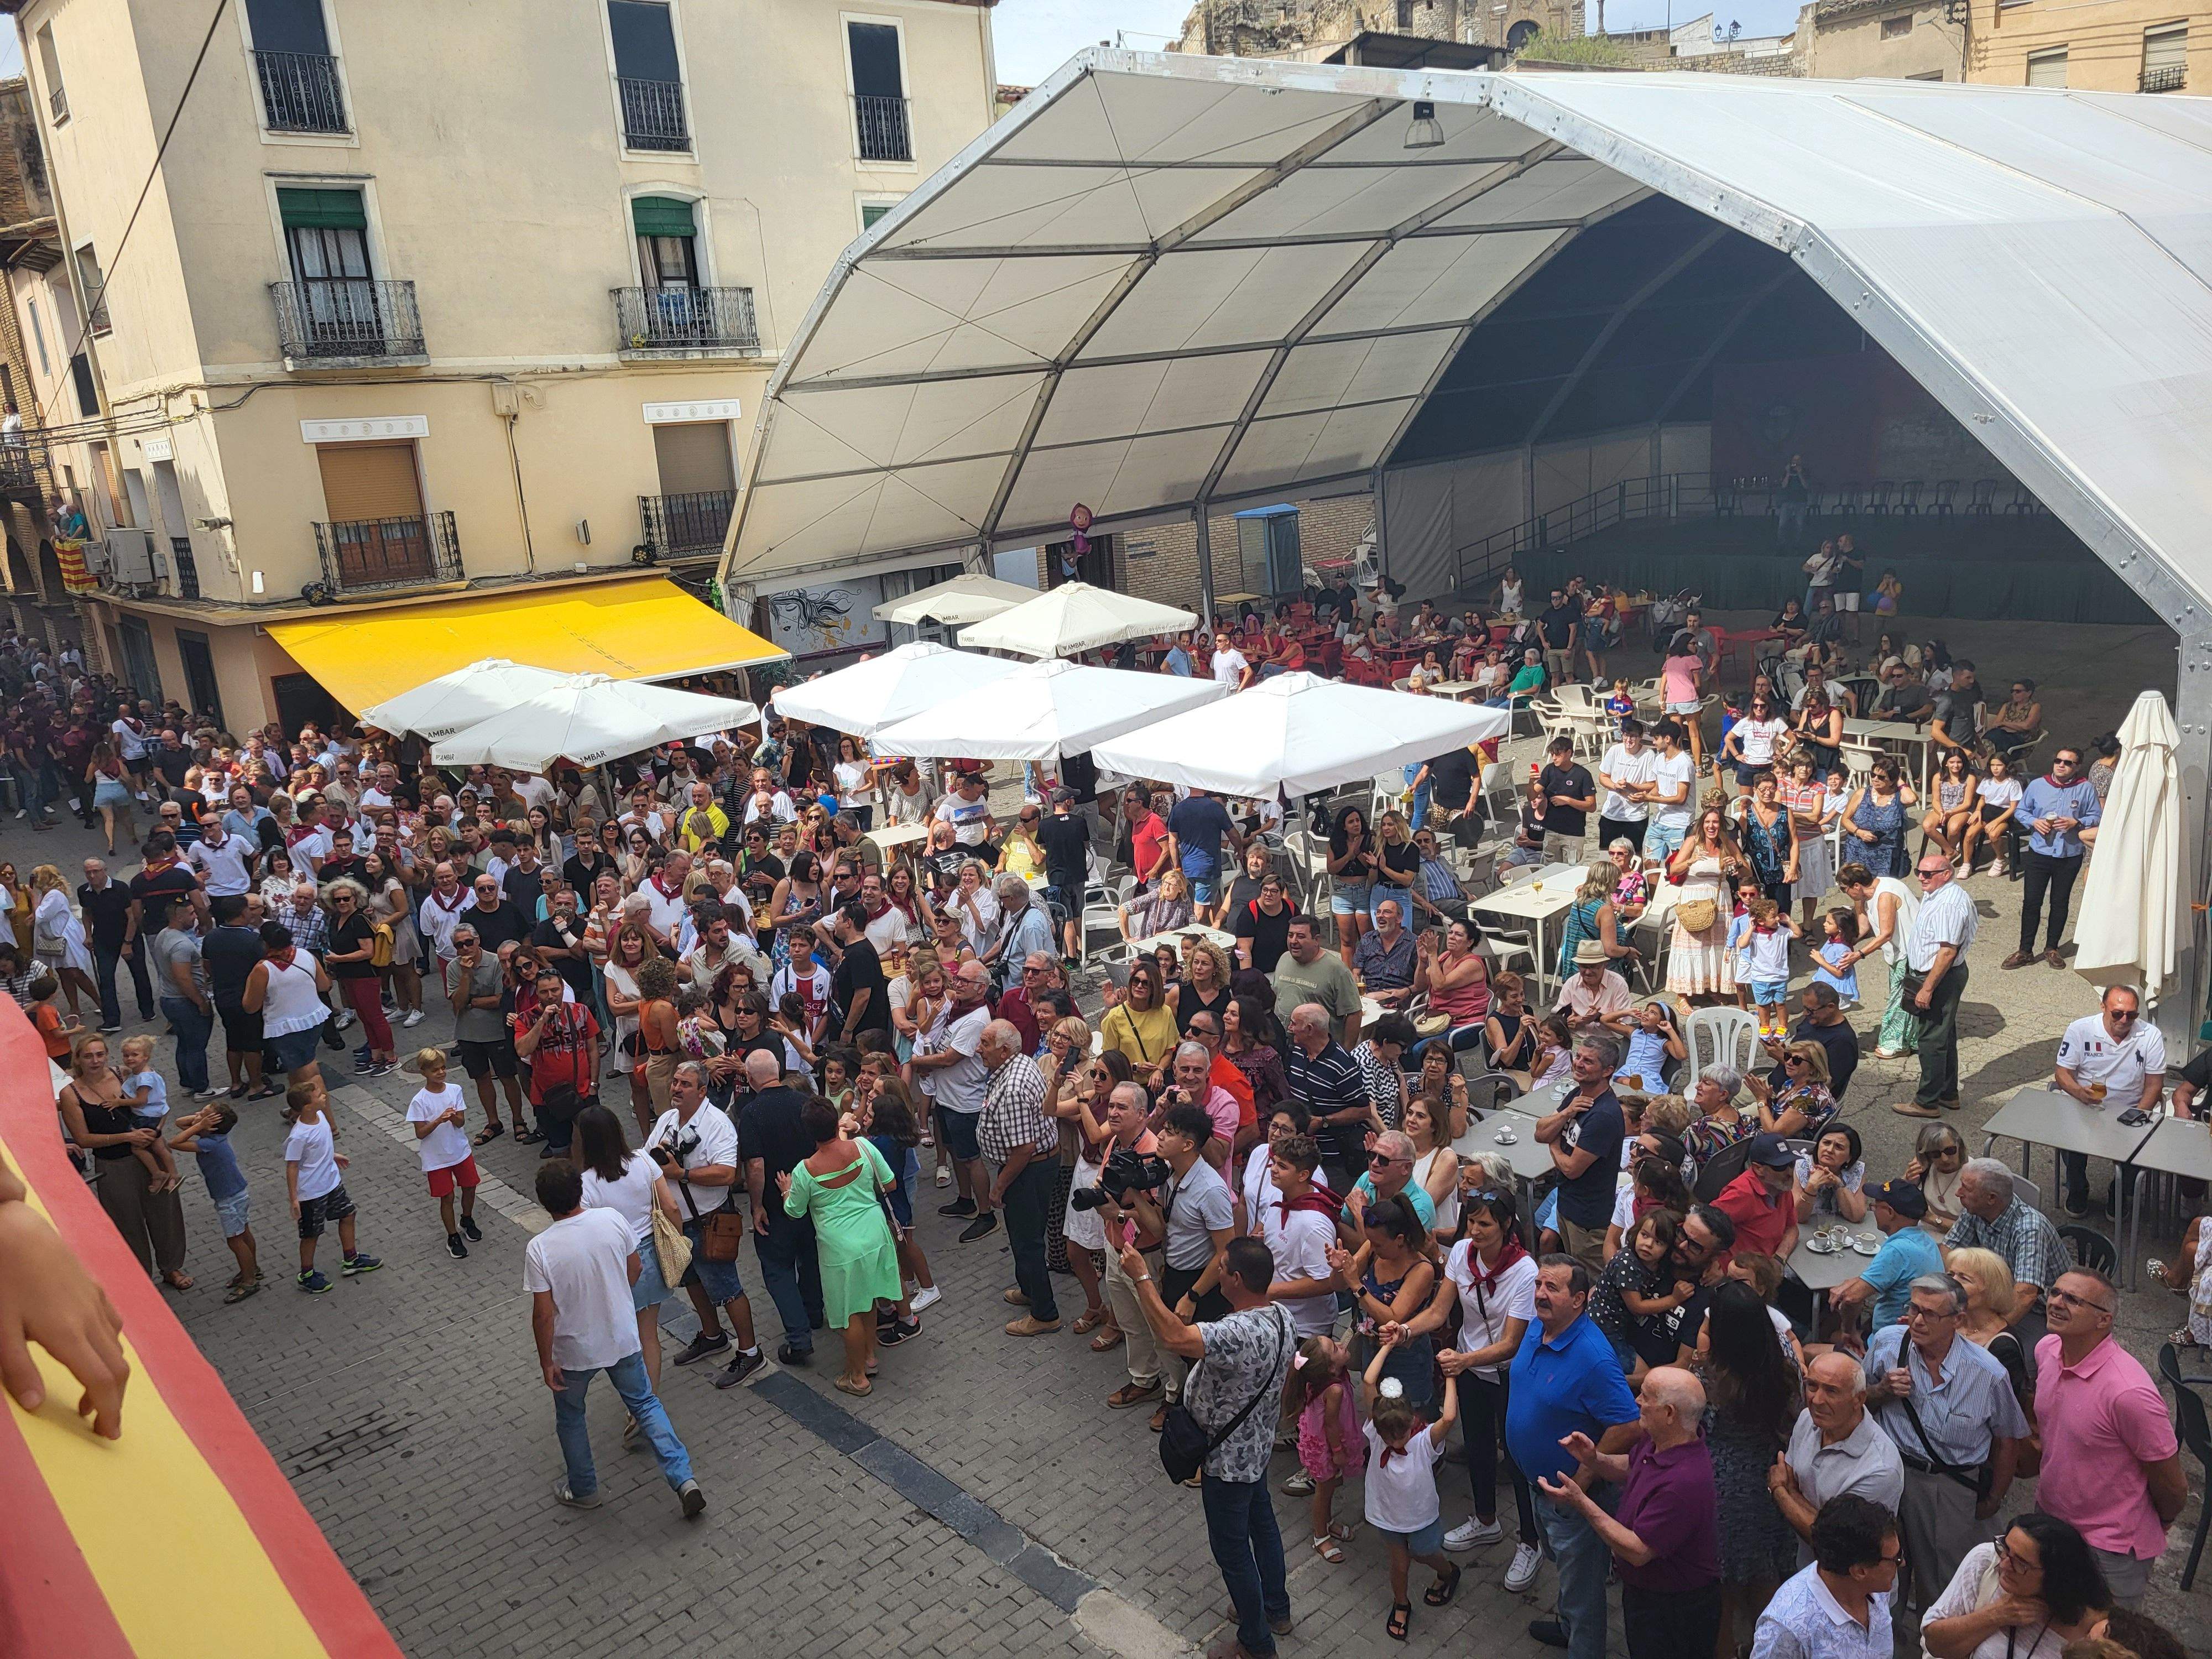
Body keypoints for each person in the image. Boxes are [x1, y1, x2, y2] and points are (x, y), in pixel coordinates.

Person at [1118, 1235, 1297, 1659]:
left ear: (1235, 1279)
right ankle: (1277, 1608)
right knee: (1264, 1528)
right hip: (1256, 1451)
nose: (1215, 1273)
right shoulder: (1283, 1318)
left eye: (1221, 1268)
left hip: (1227, 1463)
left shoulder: (1236, 1332)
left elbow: (1175, 1338)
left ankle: (1256, 1643)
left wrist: (1141, 1276)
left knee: (1233, 1554)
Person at [524, 1160, 706, 1518]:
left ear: (546, 1203)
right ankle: (684, 1479)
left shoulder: (540, 1249)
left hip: (574, 1351)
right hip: (622, 1338)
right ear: (579, 1190)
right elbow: (634, 1268)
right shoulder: (611, 1220)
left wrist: (547, 1361)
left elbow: (543, 1315)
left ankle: (584, 1488)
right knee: (646, 1405)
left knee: (572, 1416)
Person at [1861, 1273, 2028, 1609]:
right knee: (1878, 1578)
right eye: (1914, 1309)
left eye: (1930, 1314)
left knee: (1941, 1582)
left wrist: (1995, 1496)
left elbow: (2008, 1439)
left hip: (1946, 1487)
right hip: (1888, 1470)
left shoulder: (1988, 1373)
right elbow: (1859, 1401)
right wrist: (1881, 1392)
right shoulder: (1888, 1343)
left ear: (1958, 1321)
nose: (1917, 1321)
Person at [1507, 1254, 1641, 1658]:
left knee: (1584, 1589)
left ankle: (1583, 1645)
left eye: (1552, 1288)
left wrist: (1580, 1484)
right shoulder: (1538, 1327)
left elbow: (1629, 1425)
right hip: (1540, 1489)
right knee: (1565, 1568)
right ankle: (1567, 1626)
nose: (1540, 1295)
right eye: (1538, 1286)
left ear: (1579, 1300)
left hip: (1572, 1500)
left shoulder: (1594, 1358)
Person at [1537, 1366, 1720, 1659]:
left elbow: (1637, 1550)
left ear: (1670, 1413)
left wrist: (1580, 1501)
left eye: (1646, 1397)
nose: (1637, 1401)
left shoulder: (1684, 1482)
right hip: (1648, 1593)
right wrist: (1594, 1459)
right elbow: (1633, 1466)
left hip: (1673, 1608)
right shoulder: (1662, 1440)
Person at [2033, 1267, 2187, 1608]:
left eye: (2073, 1299)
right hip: (2049, 1519)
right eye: (2055, 1292)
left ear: (2103, 1321)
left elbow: (2173, 1485)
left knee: (2105, 1640)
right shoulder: (2047, 1350)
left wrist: (2156, 1521)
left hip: (2109, 1546)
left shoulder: (2128, 1392)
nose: (2056, 1303)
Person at [647, 1061, 765, 1389]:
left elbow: (728, 1174)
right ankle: (713, 1336)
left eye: (685, 1084)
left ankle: (750, 1351)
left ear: (702, 1091)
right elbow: (649, 1157)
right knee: (692, 1282)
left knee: (728, 1289)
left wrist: (680, 1174)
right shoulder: (669, 1119)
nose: (676, 1088)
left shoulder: (718, 1125)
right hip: (677, 1223)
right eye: (674, 1082)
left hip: (710, 1222)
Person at [778, 1096, 901, 1398]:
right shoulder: (863, 1147)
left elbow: (795, 1211)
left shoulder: (805, 1171)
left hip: (840, 1249)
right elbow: (891, 1184)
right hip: (874, 1235)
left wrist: (785, 1191)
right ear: (837, 1123)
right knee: (869, 1298)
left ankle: (857, 1376)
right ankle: (870, 1357)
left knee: (848, 1314)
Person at [55, 1032, 192, 1288]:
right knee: (127, 1223)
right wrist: (126, 1136)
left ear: (107, 1055)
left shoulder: (126, 1074)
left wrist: (156, 1130)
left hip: (149, 1154)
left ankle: (171, 1267)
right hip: (113, 1165)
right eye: (88, 1056)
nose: (95, 1061)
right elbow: (83, 1139)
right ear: (79, 1059)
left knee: (165, 1214)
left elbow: (159, 1103)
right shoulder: (72, 1094)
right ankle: (141, 1278)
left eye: (100, 1054)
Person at [1772, 1352, 1905, 1566]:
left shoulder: (1880, 1468)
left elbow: (1834, 1542)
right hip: (1809, 1571)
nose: (1816, 1400)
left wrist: (1780, 1492)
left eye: (1831, 1391)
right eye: (1812, 1386)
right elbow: (1792, 1482)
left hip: (1855, 1589)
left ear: (1859, 1399)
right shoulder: (1808, 1420)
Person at [1922, 1512, 2112, 1659]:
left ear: (2056, 1577)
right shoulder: (1987, 1561)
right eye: (2005, 1548)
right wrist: (1997, 1615)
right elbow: (1934, 1642)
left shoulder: (2095, 1627)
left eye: (2021, 1563)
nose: (2004, 1564)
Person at [975, 1018, 1061, 1333]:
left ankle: (1045, 1313)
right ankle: (1028, 1289)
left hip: (1027, 1170)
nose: (979, 1049)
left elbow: (1023, 1149)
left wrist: (998, 1188)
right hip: (1032, 1166)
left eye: (986, 1044)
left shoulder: (1012, 1087)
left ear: (1006, 1050)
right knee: (1024, 1235)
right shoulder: (1021, 1062)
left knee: (1027, 1243)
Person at [2051, 985, 2163, 1216]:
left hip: (2129, 1108)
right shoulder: (2081, 1029)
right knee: (2069, 1135)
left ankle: (2119, 1192)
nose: (2125, 1020)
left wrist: (2138, 1114)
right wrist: (2079, 1093)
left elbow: (2155, 1085)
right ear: (2103, 1007)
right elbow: (2062, 1073)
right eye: (2118, 1013)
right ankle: (2078, 1187)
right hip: (2085, 1104)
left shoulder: (2150, 1035)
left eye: (2132, 1015)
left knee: (2140, 1141)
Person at [1749, 1496, 1900, 1659]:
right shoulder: (1786, 1628)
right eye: (1896, 1559)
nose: (1903, 1563)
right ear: (1860, 1572)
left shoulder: (1877, 1589)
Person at [1892, 849, 1975, 1120]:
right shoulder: (1936, 893)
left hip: (1939, 977)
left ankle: (1927, 1101)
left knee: (1931, 1039)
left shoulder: (1949, 904)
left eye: (1927, 874)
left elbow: (1948, 951)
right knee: (1944, 1035)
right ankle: (1948, 1093)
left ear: (1946, 874)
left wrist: (1927, 987)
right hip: (1934, 974)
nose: (1920, 878)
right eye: (1919, 872)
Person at [1533, 1034, 1627, 1271]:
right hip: (1567, 1204)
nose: (1579, 1064)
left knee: (1590, 1277)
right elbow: (1540, 1133)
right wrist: (1565, 1114)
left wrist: (1554, 1145)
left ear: (1607, 1071)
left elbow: (1571, 1169)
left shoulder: (1603, 1116)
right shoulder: (1579, 1095)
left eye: (1589, 1061)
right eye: (1578, 1057)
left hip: (1588, 1219)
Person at [281, 1076, 379, 1293]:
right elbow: (293, 1166)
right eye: (319, 1096)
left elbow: (317, 1149)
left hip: (332, 1182)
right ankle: (306, 1274)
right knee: (311, 1233)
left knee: (348, 1215)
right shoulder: (298, 1136)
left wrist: (332, 1156)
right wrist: (295, 1199)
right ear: (307, 1106)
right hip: (312, 1192)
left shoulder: (320, 1117)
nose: (324, 1096)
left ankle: (351, 1259)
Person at [2007, 747, 2099, 971]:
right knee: (2031, 902)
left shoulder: (2085, 788)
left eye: (2068, 763)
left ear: (2077, 767)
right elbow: (2021, 811)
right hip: (2040, 852)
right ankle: (2025, 950)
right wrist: (2033, 822)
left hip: (2069, 855)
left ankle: (2052, 948)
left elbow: (2097, 816)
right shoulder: (2038, 785)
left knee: (2060, 902)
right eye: (2058, 761)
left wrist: (2075, 822)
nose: (2061, 765)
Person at [1946, 1159, 2070, 1326]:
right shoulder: (1975, 1208)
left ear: (1991, 1198)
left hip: (2040, 1311)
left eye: (1966, 1189)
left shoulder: (2029, 1229)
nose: (1958, 1193)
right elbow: (1949, 1249)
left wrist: (1992, 1333)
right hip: (1999, 1295)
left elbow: (2027, 1295)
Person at [1284, 1000, 1373, 1194]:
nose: (1290, 1028)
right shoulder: (1297, 1051)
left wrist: (1323, 1122)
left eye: (1294, 1024)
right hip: (1300, 1152)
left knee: (1335, 1207)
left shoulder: (1342, 1065)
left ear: (1309, 1029)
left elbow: (1364, 1110)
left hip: (1333, 1159)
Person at [1829, 1180, 1944, 1328]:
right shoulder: (1927, 1240)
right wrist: (1857, 1281)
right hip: (1918, 1332)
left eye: (1875, 1206)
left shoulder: (1898, 1250)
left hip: (1891, 1341)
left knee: (1812, 1347)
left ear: (1890, 1212)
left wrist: (1849, 1331)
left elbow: (1852, 1298)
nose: (1873, 1210)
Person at [403, 1047, 483, 1260]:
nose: (441, 1073)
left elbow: (461, 1122)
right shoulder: (419, 1101)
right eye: (435, 1070)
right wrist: (439, 1120)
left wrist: (454, 1118)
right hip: (436, 1158)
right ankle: (452, 1236)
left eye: (443, 1068)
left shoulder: (455, 1090)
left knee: (470, 1186)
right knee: (447, 1197)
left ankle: (467, 1219)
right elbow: (420, 1133)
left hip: (459, 1150)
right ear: (424, 1073)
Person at [1713, 1133, 1802, 1262]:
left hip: (1766, 1268)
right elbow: (1705, 1226)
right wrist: (1720, 1265)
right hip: (1739, 1274)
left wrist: (1779, 1258)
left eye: (1791, 1164)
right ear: (1759, 1169)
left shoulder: (1782, 1187)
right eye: (1780, 1167)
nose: (1789, 1172)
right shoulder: (1742, 1193)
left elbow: (1792, 1228)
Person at [1538, 735, 1597, 863]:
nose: (1554, 758)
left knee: (1572, 871)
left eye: (1558, 754)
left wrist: (1568, 801)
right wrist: (1532, 783)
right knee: (1549, 872)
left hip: (1573, 834)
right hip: (1551, 832)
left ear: (1569, 753)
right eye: (1552, 754)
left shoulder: (1583, 775)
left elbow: (1592, 806)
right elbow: (1533, 794)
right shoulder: (1549, 770)